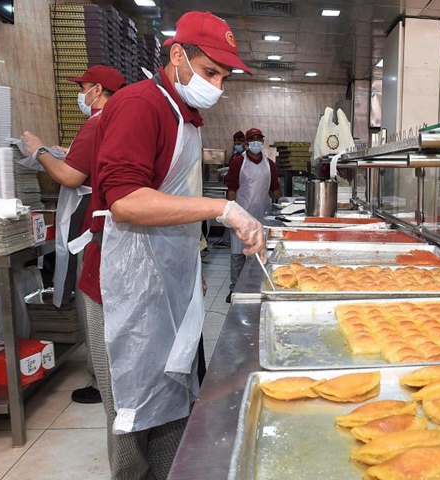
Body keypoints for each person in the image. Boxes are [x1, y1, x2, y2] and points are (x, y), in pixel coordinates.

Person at [78, 12, 264, 479]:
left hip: (167, 276)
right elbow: (127, 202)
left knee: (175, 397)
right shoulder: (141, 104)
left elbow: (172, 201)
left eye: (223, 77)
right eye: (210, 72)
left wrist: (188, 263)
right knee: (133, 415)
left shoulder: (187, 114)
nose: (218, 85)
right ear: (177, 55)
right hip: (121, 285)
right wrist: (222, 209)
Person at [20, 65, 126, 405]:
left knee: (91, 302)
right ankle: (107, 376)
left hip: (91, 222)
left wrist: (39, 151)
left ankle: (101, 383)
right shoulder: (116, 123)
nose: (79, 94)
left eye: (82, 87)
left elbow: (69, 176)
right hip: (109, 222)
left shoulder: (96, 123)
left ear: (96, 90)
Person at [224, 127, 281, 302]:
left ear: (262, 141)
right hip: (241, 215)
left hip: (262, 216)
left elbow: (275, 189)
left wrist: (281, 206)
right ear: (247, 142)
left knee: (258, 252)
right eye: (253, 139)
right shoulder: (238, 162)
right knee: (238, 254)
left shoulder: (269, 164)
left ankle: (255, 286)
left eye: (259, 138)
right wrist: (230, 213)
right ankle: (235, 289)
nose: (256, 142)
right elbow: (232, 189)